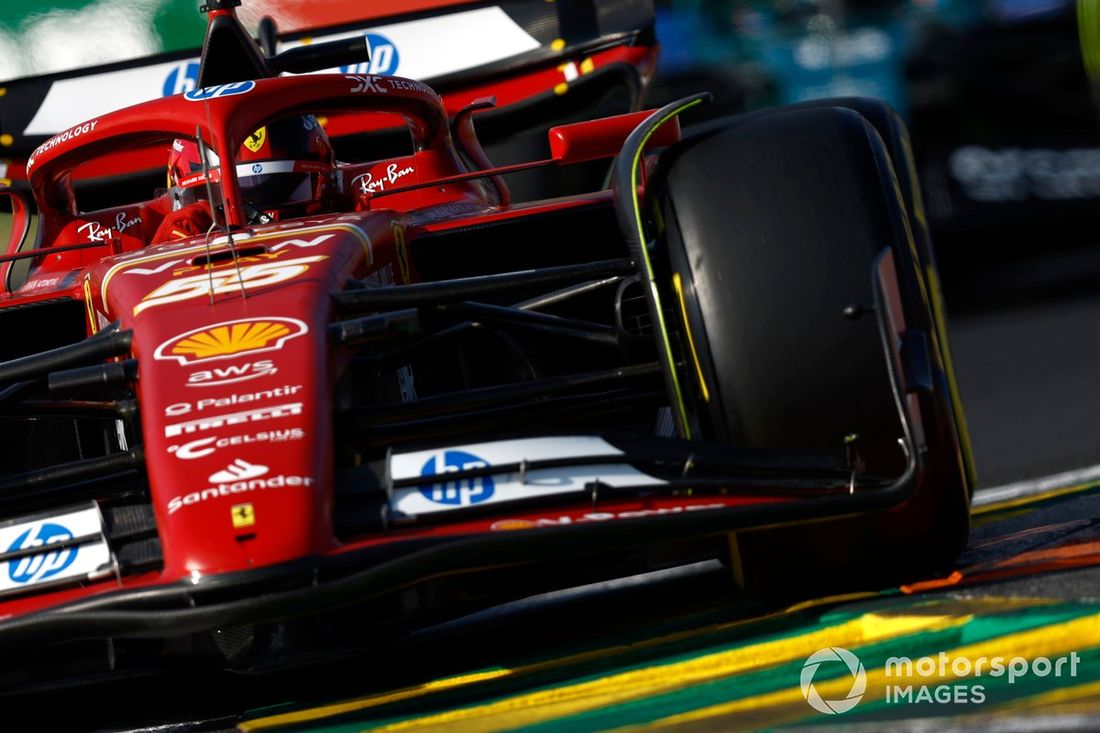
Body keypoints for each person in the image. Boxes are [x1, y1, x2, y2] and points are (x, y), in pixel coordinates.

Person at [154, 114, 336, 242]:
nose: (257, 218)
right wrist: (169, 249)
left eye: (273, 191)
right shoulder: (178, 226)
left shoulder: (358, 196)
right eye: (219, 199)